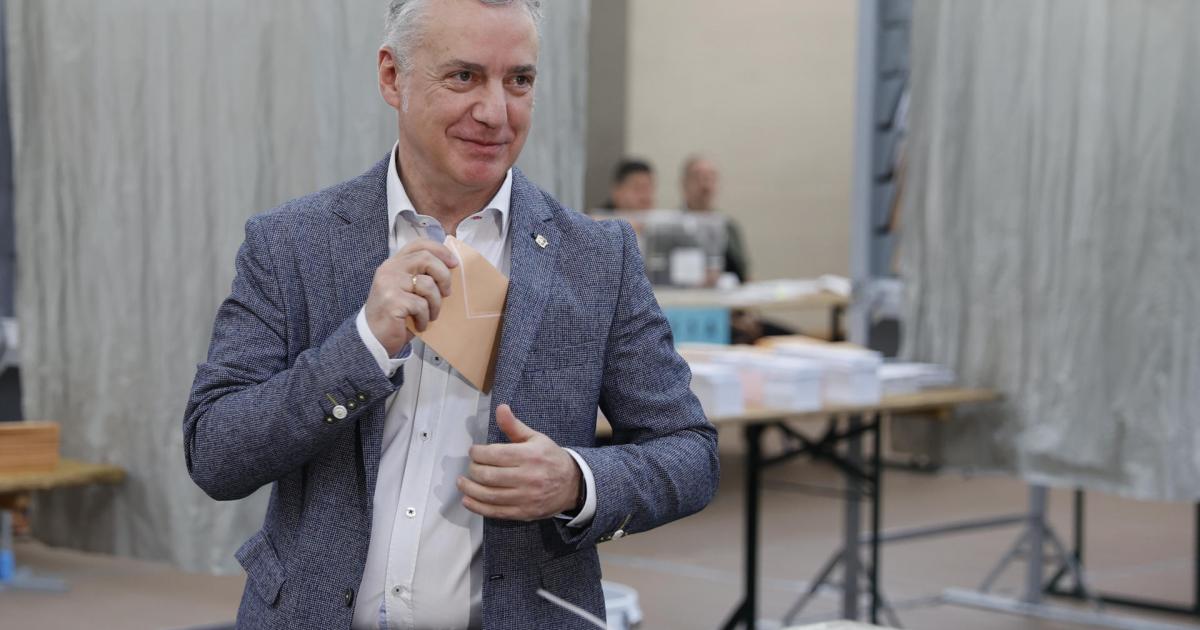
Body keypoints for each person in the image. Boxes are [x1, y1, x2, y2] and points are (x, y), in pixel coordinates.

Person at [182, 1, 718, 629]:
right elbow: (215, 452)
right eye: (464, 76)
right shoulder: (294, 242)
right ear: (393, 77)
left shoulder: (596, 258)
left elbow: (690, 452)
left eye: (519, 80)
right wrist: (362, 345)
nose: (496, 112)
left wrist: (576, 481)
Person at [681, 155, 748, 283]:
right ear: (684, 184)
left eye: (710, 178)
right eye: (698, 177)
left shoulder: (728, 227)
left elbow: (743, 275)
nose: (705, 185)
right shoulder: (672, 228)